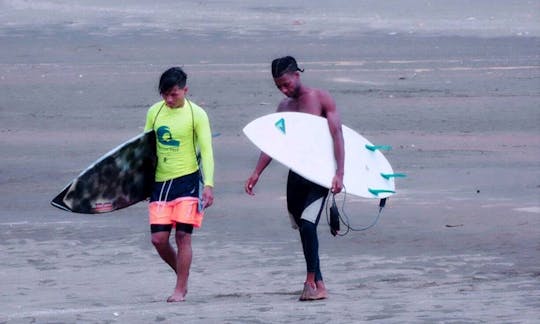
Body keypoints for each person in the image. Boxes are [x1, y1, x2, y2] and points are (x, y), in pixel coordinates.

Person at [245, 56, 345, 301]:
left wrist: (339, 173)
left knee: (309, 224)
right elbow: (273, 144)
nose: (284, 89)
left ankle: (310, 280)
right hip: (296, 176)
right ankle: (319, 283)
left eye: (286, 83)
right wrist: (257, 172)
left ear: (297, 75)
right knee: (303, 228)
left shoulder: (320, 98)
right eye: (279, 86)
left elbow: (337, 135)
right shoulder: (284, 108)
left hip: (319, 174)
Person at [144, 67, 215, 302]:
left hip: (188, 181)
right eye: (165, 94)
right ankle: (181, 275)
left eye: (174, 94)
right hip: (160, 183)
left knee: (183, 237)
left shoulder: (197, 115)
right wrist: (140, 183)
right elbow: (144, 150)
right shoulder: (154, 112)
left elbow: (207, 151)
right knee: (159, 240)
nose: (169, 99)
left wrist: (209, 185)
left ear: (185, 90)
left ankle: (180, 288)